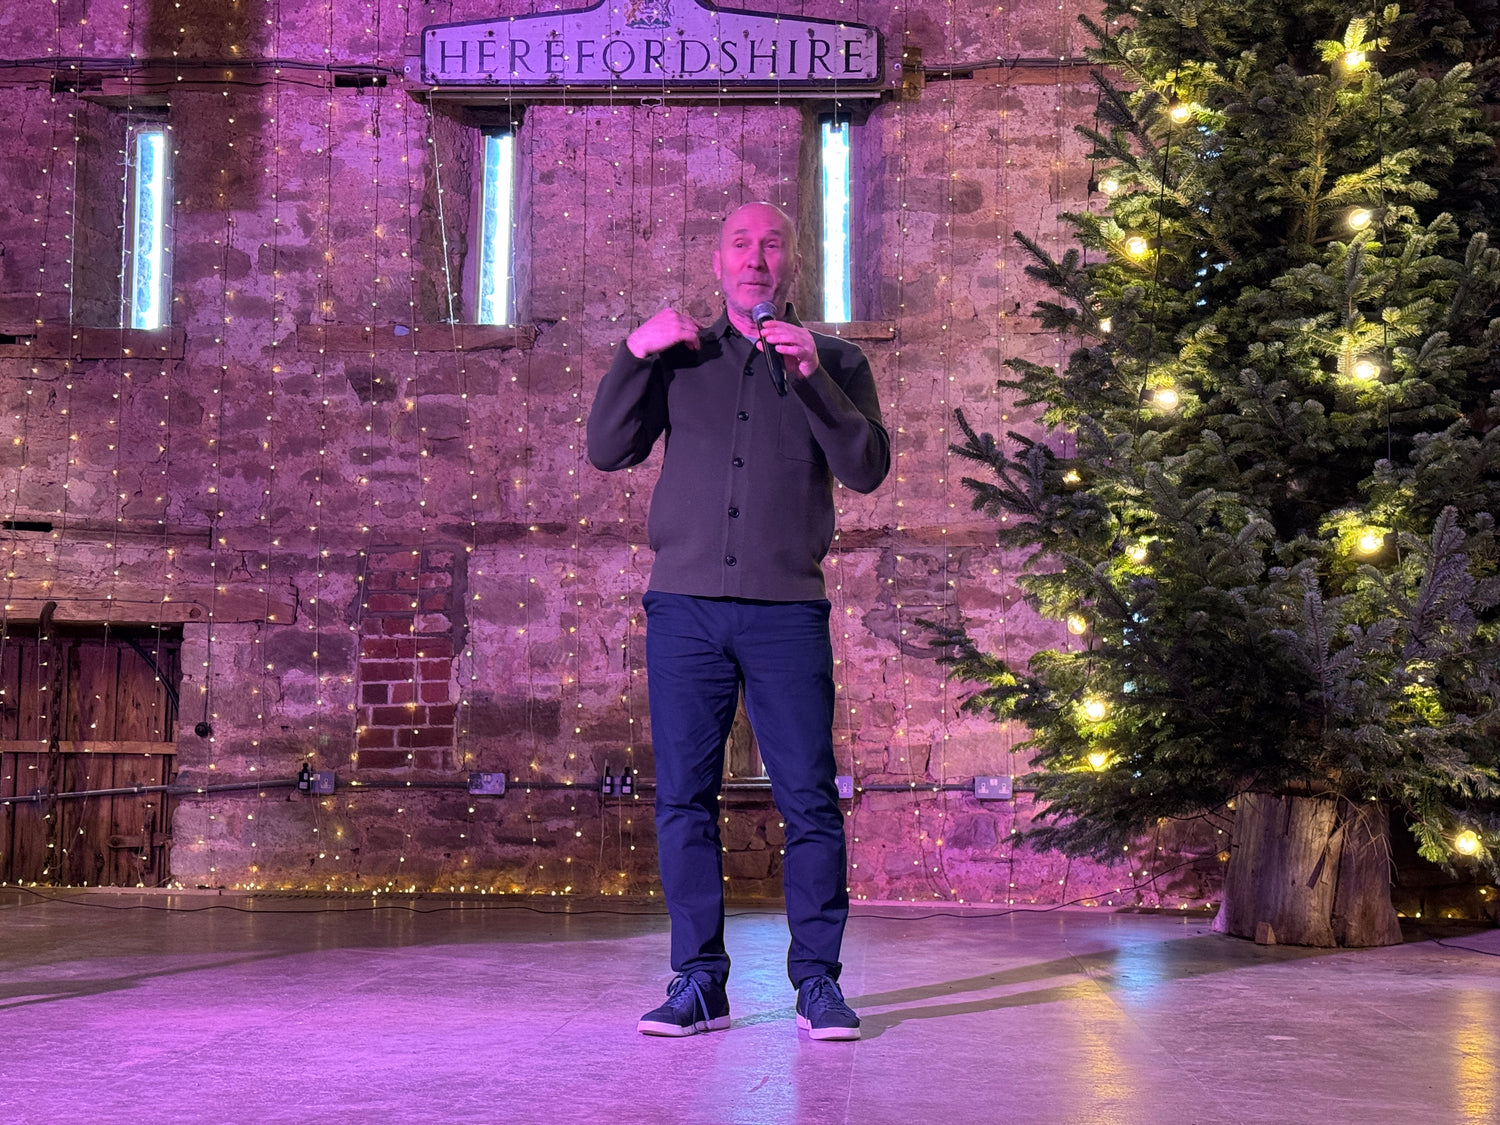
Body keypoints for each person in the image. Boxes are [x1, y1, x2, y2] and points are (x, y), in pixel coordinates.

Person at [586, 201, 890, 1040]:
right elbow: (607, 448)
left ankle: (817, 982)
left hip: (787, 613)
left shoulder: (838, 360)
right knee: (683, 797)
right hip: (683, 610)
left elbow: (866, 468)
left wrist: (813, 376)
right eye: (740, 244)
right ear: (717, 261)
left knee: (809, 799)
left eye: (772, 244)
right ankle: (698, 981)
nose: (756, 258)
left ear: (793, 261)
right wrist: (633, 351)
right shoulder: (681, 358)